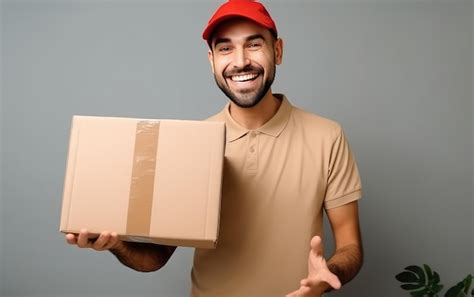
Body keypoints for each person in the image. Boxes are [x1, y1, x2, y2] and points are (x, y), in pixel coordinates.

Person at [65, 1, 364, 296]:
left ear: (278, 51)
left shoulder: (327, 136)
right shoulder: (191, 147)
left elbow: (350, 245)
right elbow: (156, 258)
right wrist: (117, 244)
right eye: (225, 48)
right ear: (211, 60)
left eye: (254, 44)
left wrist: (328, 275)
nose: (240, 61)